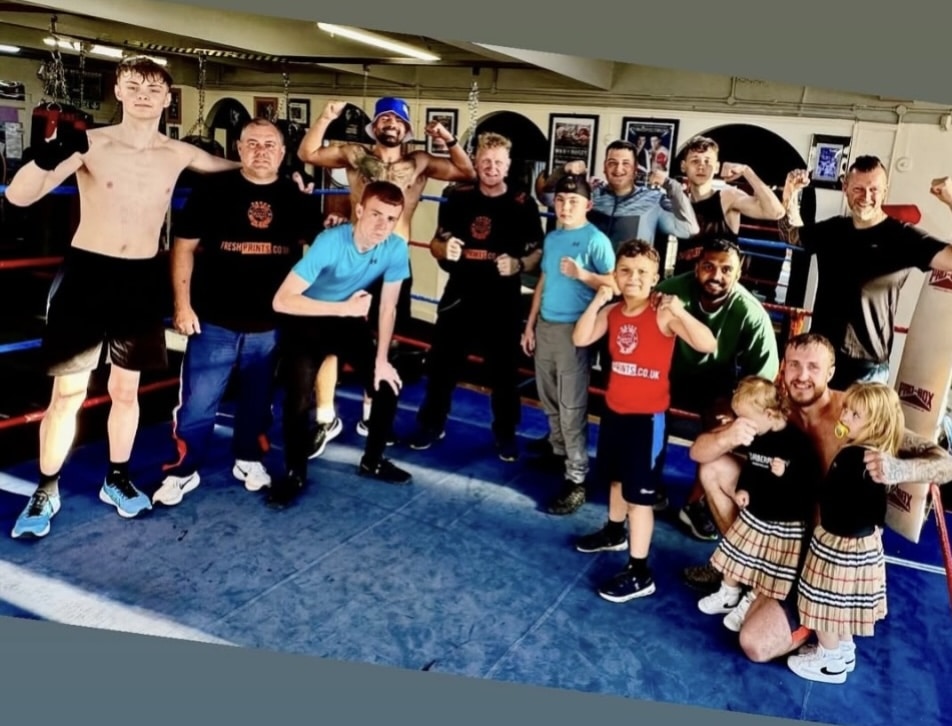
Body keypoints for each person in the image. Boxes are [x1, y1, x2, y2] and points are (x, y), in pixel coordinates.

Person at [5, 56, 240, 539]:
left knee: (126, 391)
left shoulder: (178, 152)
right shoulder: (92, 143)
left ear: (168, 98)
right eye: (134, 86)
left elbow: (242, 169)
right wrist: (47, 157)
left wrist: (288, 176)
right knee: (67, 394)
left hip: (140, 279)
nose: (143, 95)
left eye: (153, 89)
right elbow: (20, 196)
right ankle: (46, 489)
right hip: (87, 276)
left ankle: (117, 478)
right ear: (118, 91)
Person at [710, 334, 952, 665]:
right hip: (782, 540)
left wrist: (900, 468)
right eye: (794, 365)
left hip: (831, 555)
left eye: (813, 366)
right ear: (783, 368)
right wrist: (726, 433)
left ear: (831, 372)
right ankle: (748, 575)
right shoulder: (773, 410)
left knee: (755, 643)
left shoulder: (856, 414)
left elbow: (946, 464)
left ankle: (821, 620)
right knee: (713, 468)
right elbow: (705, 444)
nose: (802, 375)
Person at [151, 118, 320, 507]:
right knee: (198, 401)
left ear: (283, 153)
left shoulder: (296, 198)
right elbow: (183, 248)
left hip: (270, 322)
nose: (261, 151)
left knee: (259, 399)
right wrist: (182, 305)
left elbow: (325, 250)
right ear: (239, 149)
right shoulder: (213, 190)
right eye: (252, 144)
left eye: (270, 145)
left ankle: (248, 458)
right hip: (214, 318)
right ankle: (183, 469)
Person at [296, 97, 477, 455]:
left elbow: (467, 173)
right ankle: (326, 418)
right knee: (330, 338)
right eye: (384, 118)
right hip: (352, 259)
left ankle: (371, 416)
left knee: (386, 340)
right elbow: (308, 153)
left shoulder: (419, 162)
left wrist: (447, 137)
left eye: (397, 120)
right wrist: (326, 117)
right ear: (374, 126)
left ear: (406, 128)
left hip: (393, 261)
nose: (390, 124)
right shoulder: (355, 155)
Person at [571, 240, 716, 602]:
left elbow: (707, 344)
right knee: (616, 482)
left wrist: (680, 311)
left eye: (641, 272)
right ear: (615, 275)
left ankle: (639, 571)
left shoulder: (662, 313)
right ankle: (614, 531)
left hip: (647, 421)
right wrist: (598, 299)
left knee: (639, 498)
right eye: (625, 271)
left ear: (655, 278)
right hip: (615, 413)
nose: (632, 278)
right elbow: (581, 336)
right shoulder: (613, 311)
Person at [267, 180, 411, 508]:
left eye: (391, 218)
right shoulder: (330, 242)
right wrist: (343, 308)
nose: (382, 225)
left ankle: (373, 461)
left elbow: (388, 307)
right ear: (359, 210)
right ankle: (295, 474)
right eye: (375, 214)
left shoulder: (395, 248)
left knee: (385, 386)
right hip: (306, 317)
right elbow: (282, 300)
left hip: (345, 320)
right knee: (298, 399)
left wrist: (382, 360)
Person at [408, 132, 544, 460]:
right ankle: (431, 424)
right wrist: (445, 249)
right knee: (442, 365)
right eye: (485, 161)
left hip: (502, 297)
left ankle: (505, 433)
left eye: (498, 162)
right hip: (461, 292)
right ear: (476, 162)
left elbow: (538, 251)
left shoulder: (523, 203)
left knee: (505, 372)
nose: (491, 167)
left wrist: (519, 264)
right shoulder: (458, 197)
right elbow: (436, 243)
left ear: (508, 166)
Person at [778, 155, 952, 389]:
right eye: (858, 189)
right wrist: (790, 193)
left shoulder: (902, 237)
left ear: (885, 191)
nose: (866, 197)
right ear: (845, 189)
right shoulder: (834, 230)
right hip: (821, 358)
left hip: (867, 367)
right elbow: (791, 234)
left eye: (874, 190)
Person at [652, 238, 780, 546]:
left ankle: (695, 504)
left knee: (727, 423)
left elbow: (763, 380)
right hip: (666, 377)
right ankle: (647, 483)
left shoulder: (751, 313)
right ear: (697, 266)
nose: (716, 275)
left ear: (738, 273)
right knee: (642, 406)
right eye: (709, 266)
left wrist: (739, 410)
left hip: (717, 389)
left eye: (726, 269)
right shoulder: (670, 292)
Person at [786, 381, 905, 684]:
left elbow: (831, 493)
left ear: (875, 424)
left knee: (823, 603)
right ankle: (843, 649)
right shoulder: (875, 456)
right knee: (844, 603)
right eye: (847, 410)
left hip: (839, 542)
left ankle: (830, 662)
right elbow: (876, 507)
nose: (844, 417)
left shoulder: (854, 457)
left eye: (855, 415)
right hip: (861, 543)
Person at [692, 375, 822, 633]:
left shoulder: (797, 443)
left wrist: (787, 474)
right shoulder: (758, 435)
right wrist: (743, 489)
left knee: (770, 567)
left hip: (784, 521)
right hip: (757, 513)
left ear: (769, 413)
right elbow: (751, 467)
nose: (742, 424)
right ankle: (729, 593)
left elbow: (809, 484)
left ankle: (749, 601)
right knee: (736, 551)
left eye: (746, 418)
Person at [521, 175, 616, 515]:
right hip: (546, 325)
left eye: (573, 201)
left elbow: (615, 284)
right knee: (548, 397)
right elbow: (544, 281)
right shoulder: (553, 238)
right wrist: (530, 325)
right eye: (560, 200)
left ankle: (577, 478)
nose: (565, 206)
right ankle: (559, 453)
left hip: (575, 331)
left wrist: (583, 275)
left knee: (571, 406)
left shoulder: (596, 240)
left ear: (588, 205)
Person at [537, 140, 699, 250]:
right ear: (604, 167)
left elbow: (689, 229)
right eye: (612, 163)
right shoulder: (591, 194)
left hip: (629, 285)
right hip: (586, 280)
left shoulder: (653, 200)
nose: (618, 169)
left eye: (625, 163)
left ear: (635, 169)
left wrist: (671, 185)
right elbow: (547, 198)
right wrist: (563, 171)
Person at [673, 135, 786, 275]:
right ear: (683, 166)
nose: (701, 166)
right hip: (683, 282)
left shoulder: (727, 198)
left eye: (707, 161)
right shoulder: (679, 201)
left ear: (717, 167)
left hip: (716, 283)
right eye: (695, 160)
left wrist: (746, 171)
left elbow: (776, 212)